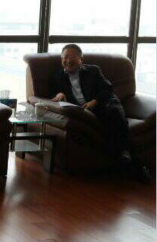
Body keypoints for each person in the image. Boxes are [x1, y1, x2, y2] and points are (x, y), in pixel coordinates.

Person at [50, 43, 150, 181]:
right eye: (65, 57)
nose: (68, 60)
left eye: (72, 57)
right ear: (61, 59)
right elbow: (51, 93)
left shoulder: (93, 71)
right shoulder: (58, 77)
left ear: (81, 59)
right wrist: (59, 93)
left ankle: (126, 156)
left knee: (113, 115)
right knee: (108, 124)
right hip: (86, 111)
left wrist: (95, 101)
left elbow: (107, 88)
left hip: (104, 102)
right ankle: (134, 165)